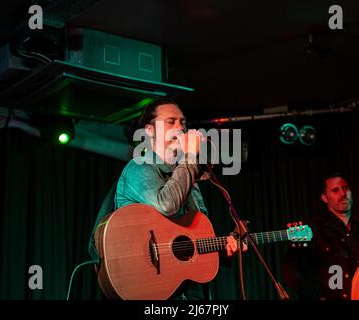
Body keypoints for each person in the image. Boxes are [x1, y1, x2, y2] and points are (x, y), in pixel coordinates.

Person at [90, 98, 245, 300]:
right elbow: (166, 205)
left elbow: (193, 240)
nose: (180, 128)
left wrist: (222, 251)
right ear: (149, 131)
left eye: (182, 122)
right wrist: (190, 156)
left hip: (191, 291)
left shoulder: (188, 178)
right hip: (150, 289)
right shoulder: (140, 166)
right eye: (171, 121)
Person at [281, 172, 359, 300]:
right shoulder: (314, 228)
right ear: (325, 198)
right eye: (335, 190)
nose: (343, 193)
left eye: (345, 188)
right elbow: (290, 268)